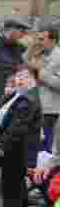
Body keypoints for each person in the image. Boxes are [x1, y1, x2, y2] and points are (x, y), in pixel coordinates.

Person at [0, 67, 41, 207]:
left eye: (24, 77)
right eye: (18, 76)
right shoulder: (18, 95)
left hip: (15, 147)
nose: (19, 80)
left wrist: (1, 145)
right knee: (14, 182)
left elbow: (17, 127)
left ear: (33, 79)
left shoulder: (28, 99)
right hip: (12, 145)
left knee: (11, 182)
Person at [33, 24, 60, 153]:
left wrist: (40, 72)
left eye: (42, 39)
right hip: (35, 107)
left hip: (50, 111)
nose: (39, 42)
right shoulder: (38, 55)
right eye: (38, 38)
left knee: (45, 147)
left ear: (53, 40)